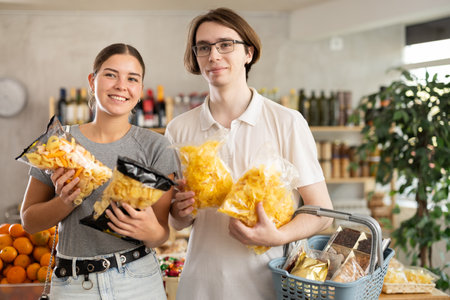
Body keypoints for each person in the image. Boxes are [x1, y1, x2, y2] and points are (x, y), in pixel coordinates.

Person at [165, 8, 334, 300]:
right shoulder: (178, 130)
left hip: (267, 287)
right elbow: (177, 222)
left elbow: (322, 213)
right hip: (200, 285)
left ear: (248, 53)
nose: (213, 56)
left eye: (225, 45)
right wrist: (179, 213)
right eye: (203, 48)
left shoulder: (286, 121)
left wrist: (278, 237)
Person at [21, 43, 177, 299]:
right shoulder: (60, 143)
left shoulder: (156, 146)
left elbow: (161, 232)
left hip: (137, 280)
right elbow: (29, 221)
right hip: (73, 284)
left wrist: (149, 231)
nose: (121, 85)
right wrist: (66, 200)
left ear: (140, 90)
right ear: (93, 81)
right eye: (110, 74)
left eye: (132, 78)